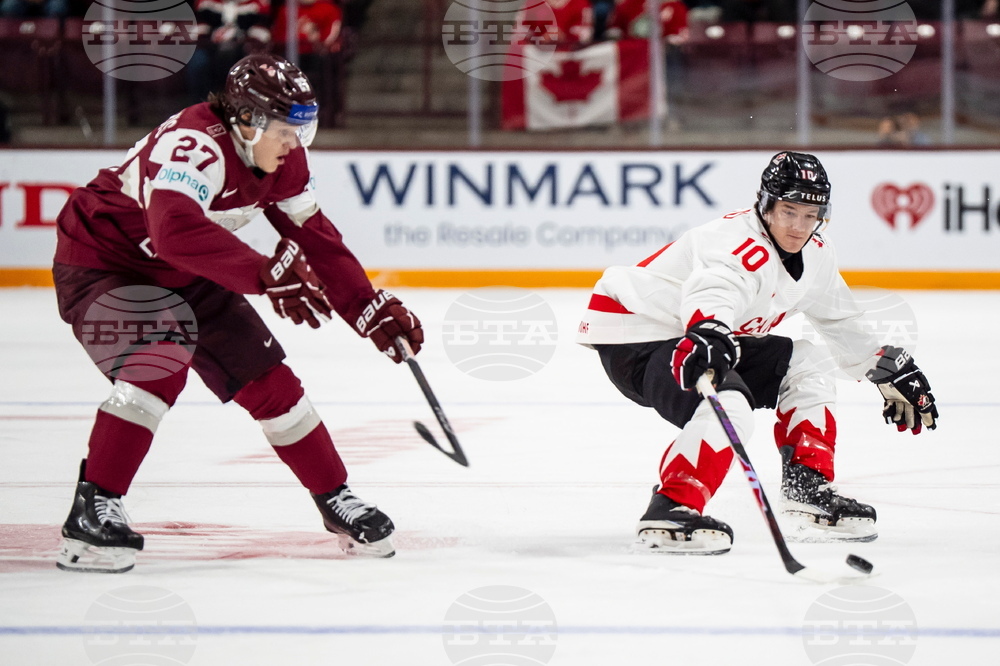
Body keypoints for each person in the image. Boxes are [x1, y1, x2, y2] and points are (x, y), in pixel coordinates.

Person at [52, 53, 423, 573]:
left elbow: (316, 239)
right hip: (105, 263)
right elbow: (174, 230)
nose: (296, 143)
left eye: (303, 129)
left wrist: (367, 308)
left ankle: (335, 498)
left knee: (272, 383)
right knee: (158, 361)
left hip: (187, 271)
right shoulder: (193, 144)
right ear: (247, 120)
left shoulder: (283, 158)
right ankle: (91, 511)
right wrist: (264, 275)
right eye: (287, 130)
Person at [576, 152, 938, 554]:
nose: (799, 226)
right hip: (638, 330)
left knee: (808, 362)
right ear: (764, 204)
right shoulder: (738, 242)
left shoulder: (817, 250)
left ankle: (807, 486)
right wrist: (709, 328)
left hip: (695, 330)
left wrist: (883, 365)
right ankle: (673, 506)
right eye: (788, 211)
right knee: (729, 404)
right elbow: (716, 286)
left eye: (811, 214)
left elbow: (838, 317)